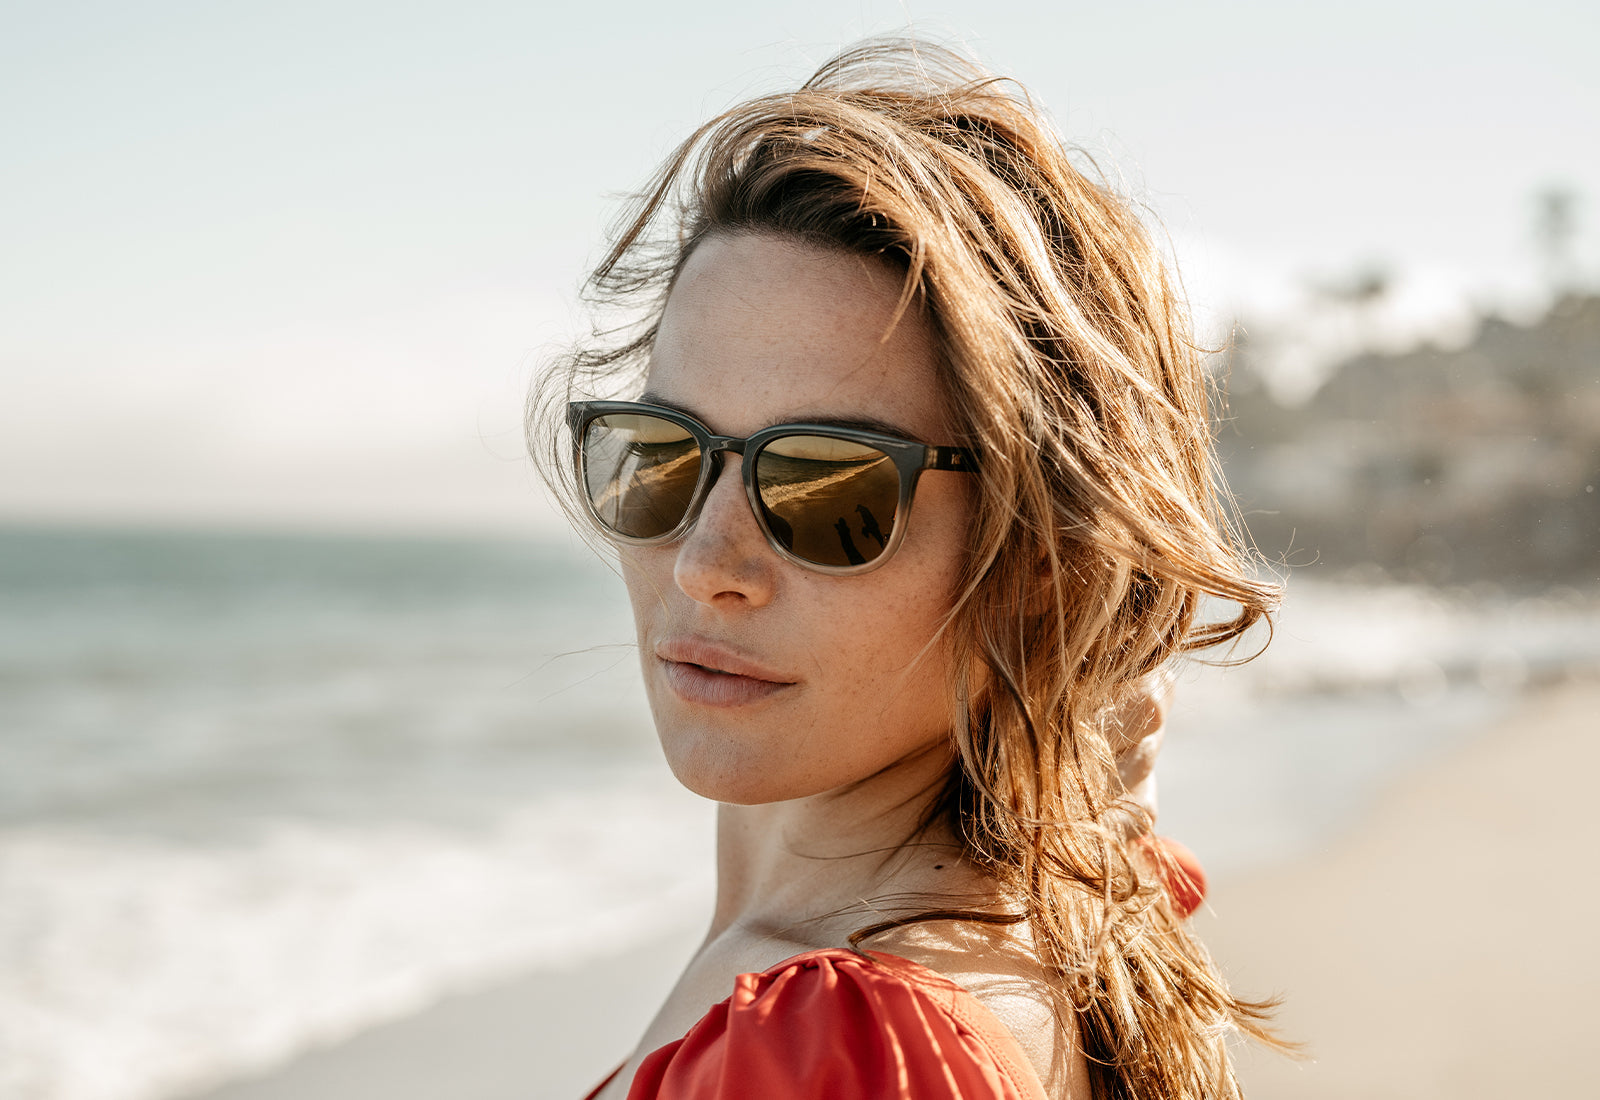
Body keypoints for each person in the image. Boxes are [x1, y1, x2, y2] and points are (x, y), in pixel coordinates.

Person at [532, 38, 1284, 1100]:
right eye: (661, 458)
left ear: (1046, 558)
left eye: (830, 492)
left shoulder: (833, 1048)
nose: (704, 564)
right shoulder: (1073, 910)